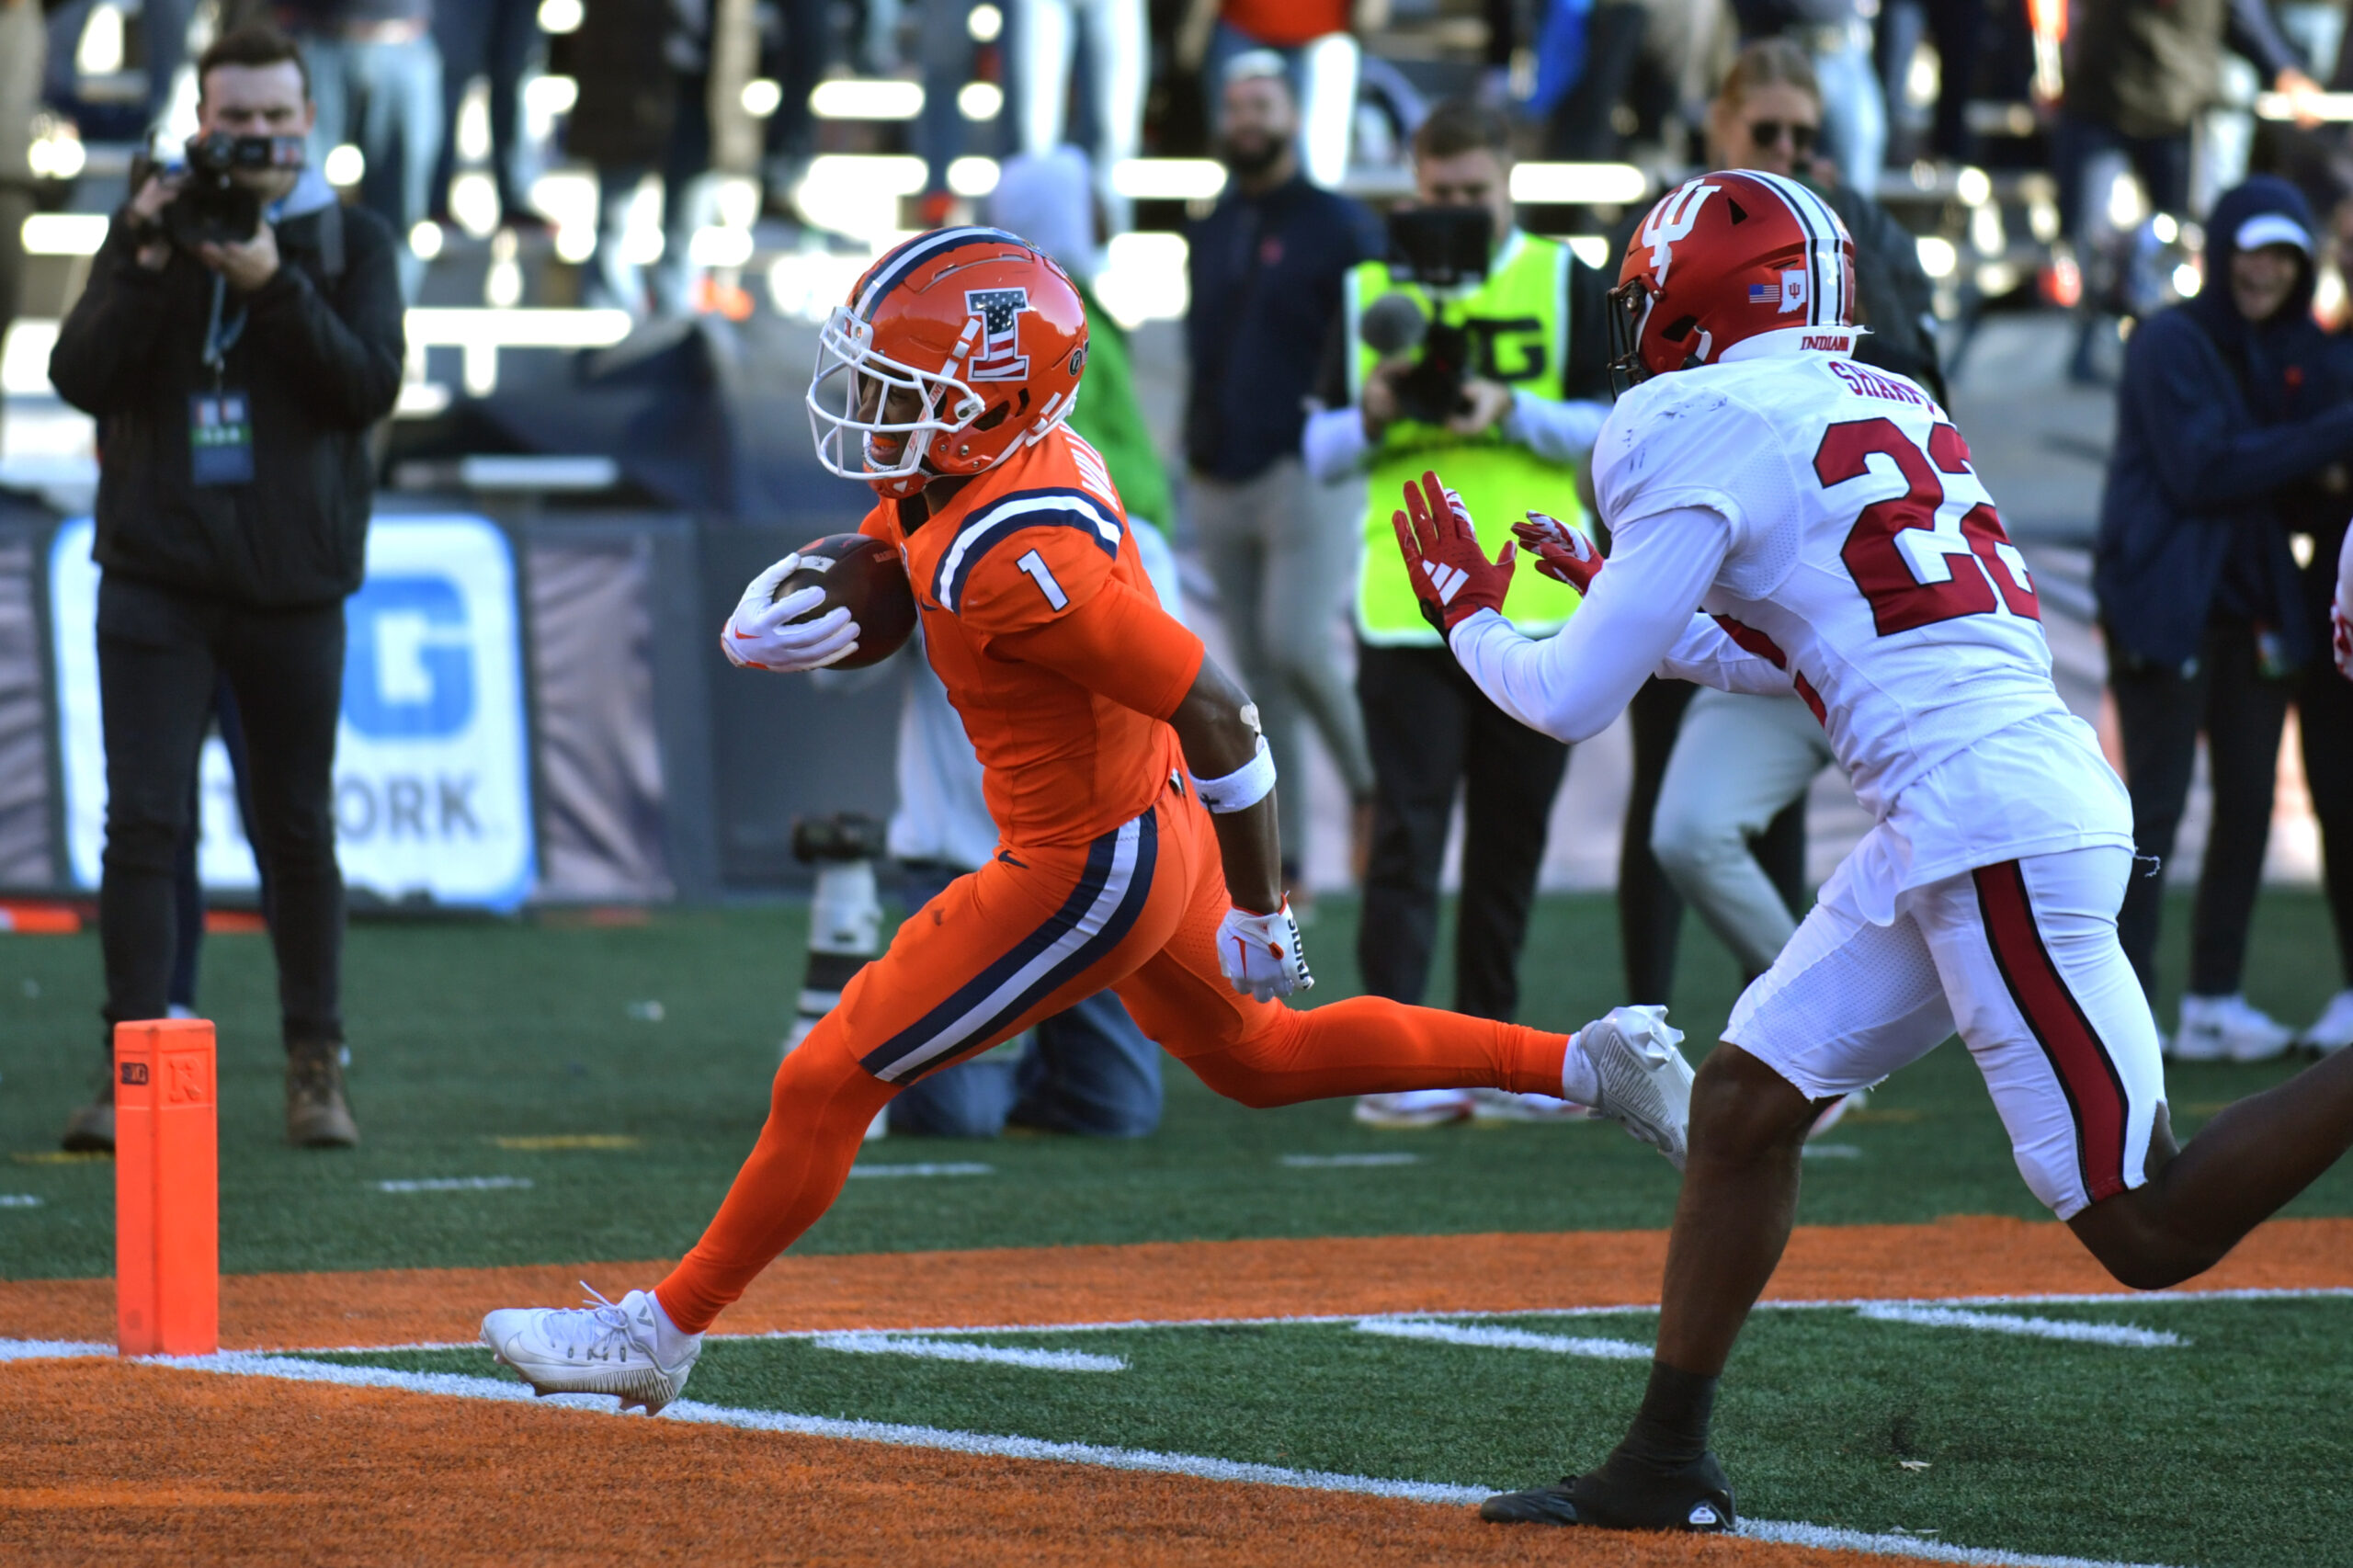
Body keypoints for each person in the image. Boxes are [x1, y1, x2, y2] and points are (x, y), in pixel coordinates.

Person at [478, 228, 1698, 1408]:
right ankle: (1593, 1062)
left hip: (1086, 862)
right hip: (1135, 818)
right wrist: (828, 584)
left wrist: (1267, 909)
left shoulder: (1017, 554)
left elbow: (1226, 714)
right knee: (1262, 1060)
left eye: (903, 388)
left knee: (827, 1073)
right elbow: (912, 538)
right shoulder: (987, 468)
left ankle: (660, 1330)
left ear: (989, 408)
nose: (870, 406)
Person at [1392, 168, 2353, 1533]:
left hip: (1991, 826)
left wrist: (1471, 619)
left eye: (1652, 298)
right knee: (1738, 1107)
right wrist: (1615, 603)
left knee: (2143, 1222)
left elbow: (1562, 701)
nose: (1638, 323)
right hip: (1965, 811)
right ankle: (1666, 1459)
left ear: (1709, 305)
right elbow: (1812, 652)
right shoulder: (1891, 399)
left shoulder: (1690, 417)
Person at [48, 24, 404, 1152]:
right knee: (143, 826)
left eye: (274, 118)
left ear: (309, 122)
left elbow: (366, 390)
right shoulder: (153, 228)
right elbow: (79, 376)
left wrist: (276, 285)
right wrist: (151, 256)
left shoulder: (352, 242)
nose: (253, 139)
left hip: (293, 587)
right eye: (233, 118)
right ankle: (132, 1064)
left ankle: (315, 1065)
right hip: (154, 576)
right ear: (199, 123)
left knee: (294, 826)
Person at [1300, 96, 1612, 1127]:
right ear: (1410, 189)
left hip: (1535, 606)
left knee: (1508, 840)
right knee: (1406, 838)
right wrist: (1376, 409)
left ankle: (1495, 1051)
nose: (1457, 211)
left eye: (1474, 193)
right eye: (1438, 195)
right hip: (1407, 606)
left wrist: (1510, 409)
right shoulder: (1364, 289)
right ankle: (1392, 1061)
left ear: (1509, 181)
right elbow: (1316, 449)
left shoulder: (1563, 279)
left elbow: (1617, 431)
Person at [1639, 37, 1944, 1002]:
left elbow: (1920, 395)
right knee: (1674, 813)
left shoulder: (1859, 235)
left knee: (1953, 850)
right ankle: (1681, 1013)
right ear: (1718, 124)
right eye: (1762, 129)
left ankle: (1802, 1033)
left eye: (1800, 133)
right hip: (1714, 560)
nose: (1782, 146)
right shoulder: (1669, 222)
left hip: (1839, 588)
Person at [2095, 178, 2353, 1062]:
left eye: (2286, 254)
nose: (2268, 270)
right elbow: (2203, 470)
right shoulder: (2170, 339)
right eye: (2255, 249)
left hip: (2252, 619)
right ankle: (2118, 1008)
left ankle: (2213, 999)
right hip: (2166, 614)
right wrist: (2329, 439)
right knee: (2153, 817)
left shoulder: (2288, 351)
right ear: (2223, 251)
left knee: (2245, 808)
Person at [1184, 53, 1381, 915]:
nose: (1247, 120)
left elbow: (1380, 328)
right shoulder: (1212, 224)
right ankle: (1287, 855)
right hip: (1216, 468)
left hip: (1306, 464)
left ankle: (1377, 790)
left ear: (1292, 115)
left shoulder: (1339, 223)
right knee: (1257, 685)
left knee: (1299, 643)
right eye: (1236, 106)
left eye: (1261, 103)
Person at [2057, 0, 2322, 381]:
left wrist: (2284, 72)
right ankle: (2088, 338)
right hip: (2099, 99)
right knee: (2091, 238)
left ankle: (2180, 347)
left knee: (2183, 244)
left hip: (2176, 107)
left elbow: (2245, 18)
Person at [277, 0, 445, 300]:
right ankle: (307, 321)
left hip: (404, 37)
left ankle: (384, 327)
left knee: (400, 215)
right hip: (316, 35)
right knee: (299, 203)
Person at [1177, 0, 1381, 189]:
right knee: (1238, 148)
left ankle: (1311, 225)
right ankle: (1238, 224)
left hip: (1326, 30)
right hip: (1240, 22)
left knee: (1320, 166)